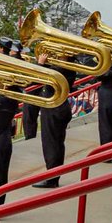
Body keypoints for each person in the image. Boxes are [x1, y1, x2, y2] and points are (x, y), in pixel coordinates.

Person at [33, 55, 76, 188]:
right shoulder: (63, 66)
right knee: (53, 143)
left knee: (51, 144)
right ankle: (52, 175)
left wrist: (40, 63)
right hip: (56, 107)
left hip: (55, 108)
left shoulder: (64, 68)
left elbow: (42, 76)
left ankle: (52, 178)